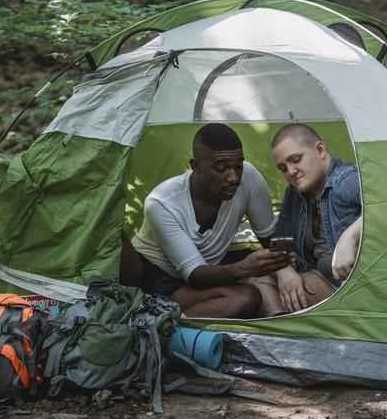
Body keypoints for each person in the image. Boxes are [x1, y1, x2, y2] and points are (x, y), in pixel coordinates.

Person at [120, 123, 289, 319]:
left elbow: (270, 239)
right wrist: (245, 268)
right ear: (195, 166)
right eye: (221, 168)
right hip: (164, 278)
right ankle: (158, 324)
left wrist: (285, 271)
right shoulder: (162, 203)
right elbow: (195, 275)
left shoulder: (248, 178)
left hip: (212, 267)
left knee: (267, 275)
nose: (233, 177)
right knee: (245, 298)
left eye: (238, 166)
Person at [254, 123, 362, 314]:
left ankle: (287, 334)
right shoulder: (295, 193)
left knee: (265, 291)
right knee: (255, 282)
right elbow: (280, 243)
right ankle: (287, 333)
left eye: (296, 159)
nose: (291, 171)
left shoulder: (346, 181)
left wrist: (350, 236)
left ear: (320, 150)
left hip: (351, 287)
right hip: (317, 275)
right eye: (283, 168)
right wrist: (284, 271)